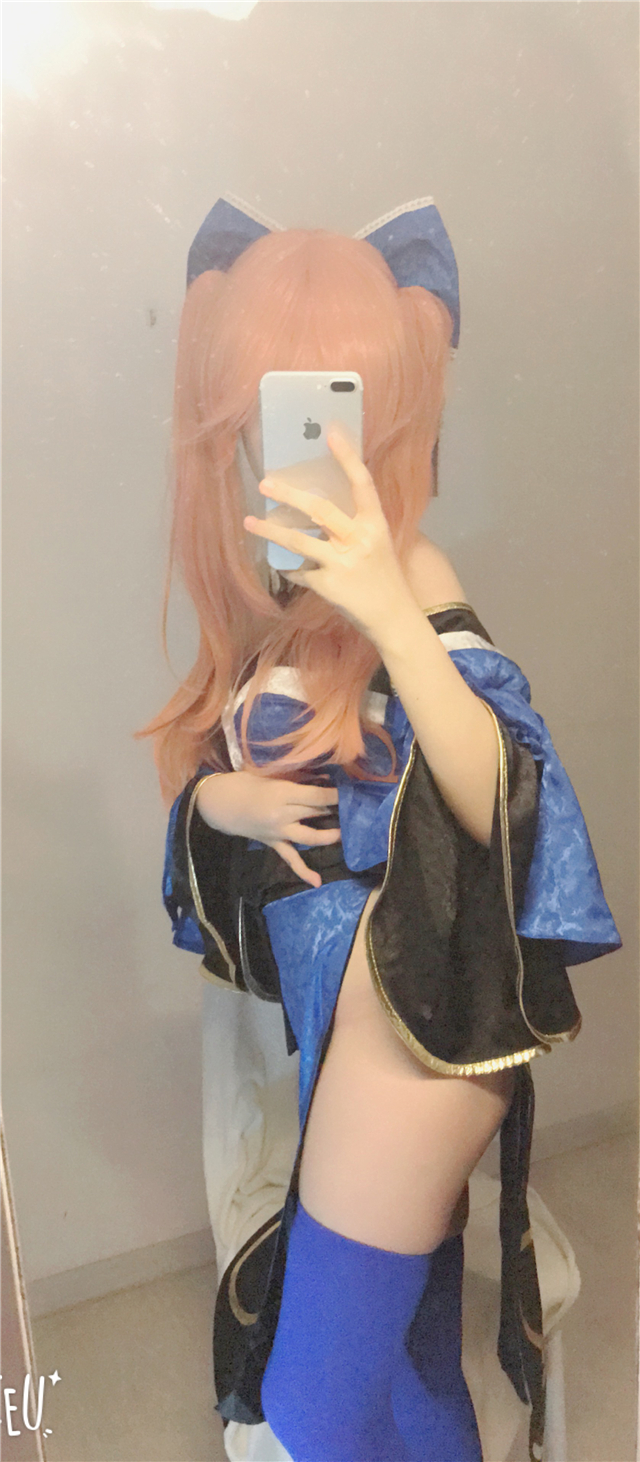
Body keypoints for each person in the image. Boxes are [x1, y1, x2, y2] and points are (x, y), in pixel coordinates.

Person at [137, 195, 622, 1462]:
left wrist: (394, 615)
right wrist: (221, 802)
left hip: (416, 1019)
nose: (298, 440)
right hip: (338, 1014)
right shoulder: (271, 590)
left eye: (332, 404)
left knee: (311, 1410)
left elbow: (506, 793)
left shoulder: (410, 571)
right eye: (269, 408)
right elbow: (218, 785)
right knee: (401, 1361)